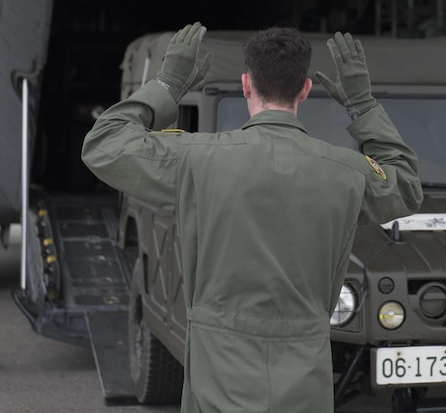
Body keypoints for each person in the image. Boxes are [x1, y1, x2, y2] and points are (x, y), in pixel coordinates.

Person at [81, 22, 423, 412]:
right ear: (306, 90)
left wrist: (167, 84)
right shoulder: (345, 171)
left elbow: (103, 145)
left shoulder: (197, 159)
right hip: (304, 374)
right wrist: (362, 104)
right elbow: (407, 185)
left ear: (246, 85)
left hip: (218, 372)